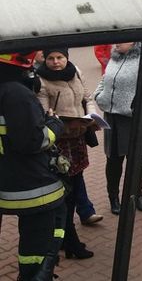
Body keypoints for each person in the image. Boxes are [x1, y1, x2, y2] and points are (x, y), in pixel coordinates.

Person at [0, 51, 66, 280]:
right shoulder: (17, 94)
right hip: (32, 187)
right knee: (36, 250)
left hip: (6, 180)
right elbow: (33, 141)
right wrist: (54, 124)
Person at [36, 48, 99, 259]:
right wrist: (66, 123)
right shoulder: (41, 81)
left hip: (78, 139)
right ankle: (69, 239)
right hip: (59, 143)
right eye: (51, 58)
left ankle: (65, 238)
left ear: (67, 58)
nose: (55, 62)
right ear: (45, 59)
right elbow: (45, 116)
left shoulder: (76, 71)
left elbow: (87, 97)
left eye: (60, 57)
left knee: (76, 183)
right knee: (65, 192)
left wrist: (92, 115)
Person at [94, 42, 142, 215]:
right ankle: (113, 197)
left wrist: (136, 106)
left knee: (136, 161)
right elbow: (104, 80)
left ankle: (136, 195)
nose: (116, 44)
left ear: (134, 43)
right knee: (113, 161)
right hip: (112, 118)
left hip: (132, 119)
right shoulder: (113, 58)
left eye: (122, 41)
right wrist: (99, 96)